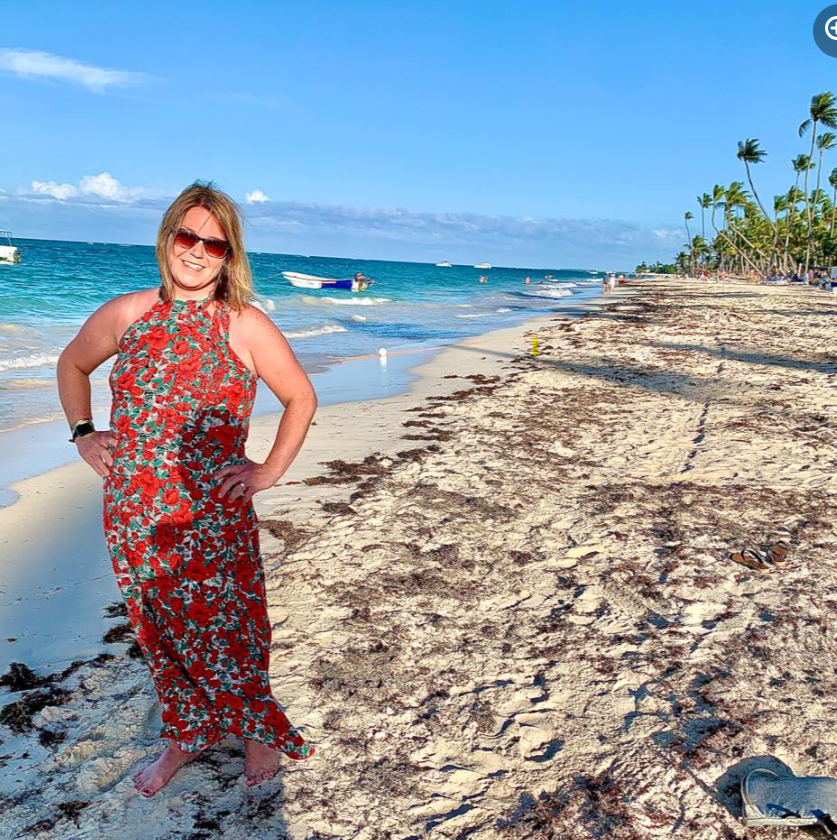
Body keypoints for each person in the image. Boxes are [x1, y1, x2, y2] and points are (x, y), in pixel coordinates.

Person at [56, 181, 318, 798]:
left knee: (235, 619)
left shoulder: (243, 323)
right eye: (187, 236)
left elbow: (300, 397)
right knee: (158, 625)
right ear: (168, 235)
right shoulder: (127, 313)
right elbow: (71, 366)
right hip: (134, 508)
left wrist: (268, 471)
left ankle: (256, 728)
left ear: (231, 255)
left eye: (215, 244)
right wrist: (84, 434)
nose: (197, 252)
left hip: (212, 508)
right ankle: (187, 732)